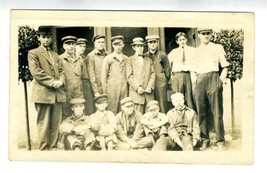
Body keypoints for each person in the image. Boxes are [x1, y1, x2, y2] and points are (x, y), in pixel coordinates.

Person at [28, 26, 66, 150]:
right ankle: (43, 149)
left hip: (57, 94)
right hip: (43, 94)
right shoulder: (33, 53)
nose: (46, 39)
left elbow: (61, 71)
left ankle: (54, 147)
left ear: (51, 38)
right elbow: (36, 72)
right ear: (39, 38)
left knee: (56, 123)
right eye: (43, 37)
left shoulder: (55, 55)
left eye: (48, 37)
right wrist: (53, 82)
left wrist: (61, 81)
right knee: (43, 124)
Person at [193, 28, 229, 151]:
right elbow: (193, 69)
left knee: (217, 111)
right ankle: (205, 140)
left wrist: (219, 81)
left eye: (208, 34)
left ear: (211, 34)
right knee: (201, 111)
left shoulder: (217, 47)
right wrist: (195, 82)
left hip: (214, 77)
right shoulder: (195, 51)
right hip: (200, 79)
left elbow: (225, 67)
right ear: (199, 35)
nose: (206, 36)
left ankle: (220, 141)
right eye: (203, 34)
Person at [59, 36, 87, 118]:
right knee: (66, 115)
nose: (71, 46)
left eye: (73, 44)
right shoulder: (60, 59)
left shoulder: (80, 59)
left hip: (78, 92)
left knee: (79, 114)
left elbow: (84, 76)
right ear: (64, 46)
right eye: (68, 44)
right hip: (66, 93)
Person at [126, 37, 155, 113]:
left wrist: (150, 87)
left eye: (141, 46)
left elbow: (153, 74)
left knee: (149, 116)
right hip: (137, 94)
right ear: (134, 47)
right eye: (138, 46)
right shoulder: (130, 60)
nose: (140, 48)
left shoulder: (149, 60)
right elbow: (129, 76)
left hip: (148, 94)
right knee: (137, 116)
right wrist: (138, 87)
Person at [168, 32, 196, 110]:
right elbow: (167, 63)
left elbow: (197, 62)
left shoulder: (192, 50)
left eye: (183, 39)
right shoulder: (174, 52)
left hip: (188, 75)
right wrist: (170, 74)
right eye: (180, 40)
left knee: (189, 97)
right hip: (177, 75)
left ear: (186, 39)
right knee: (178, 96)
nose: (182, 41)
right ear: (177, 41)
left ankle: (191, 115)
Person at [101, 35, 128, 114]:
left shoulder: (126, 58)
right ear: (112, 45)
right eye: (115, 45)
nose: (118, 47)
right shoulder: (108, 58)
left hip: (124, 88)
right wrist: (105, 92)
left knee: (123, 109)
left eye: (120, 44)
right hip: (112, 89)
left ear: (123, 45)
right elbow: (103, 76)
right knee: (112, 110)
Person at [144, 35, 171, 113]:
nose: (152, 44)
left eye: (154, 42)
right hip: (149, 82)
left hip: (160, 82)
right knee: (151, 102)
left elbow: (167, 69)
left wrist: (165, 80)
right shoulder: (145, 55)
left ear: (157, 43)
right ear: (147, 44)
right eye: (150, 42)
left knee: (162, 103)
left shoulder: (162, 55)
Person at [76, 38, 95, 116]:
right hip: (78, 85)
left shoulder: (85, 57)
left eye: (84, 46)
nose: (82, 48)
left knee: (88, 106)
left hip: (86, 85)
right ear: (75, 47)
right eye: (80, 46)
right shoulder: (74, 58)